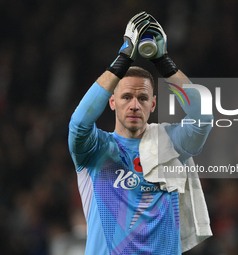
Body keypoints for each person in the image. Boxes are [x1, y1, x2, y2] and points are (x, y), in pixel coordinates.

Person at [68, 12, 213, 254]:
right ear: (111, 101)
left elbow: (203, 117)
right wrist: (123, 58)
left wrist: (163, 61)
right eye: (126, 97)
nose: (134, 104)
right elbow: (79, 123)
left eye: (142, 98)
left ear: (153, 105)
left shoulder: (171, 145)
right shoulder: (94, 150)